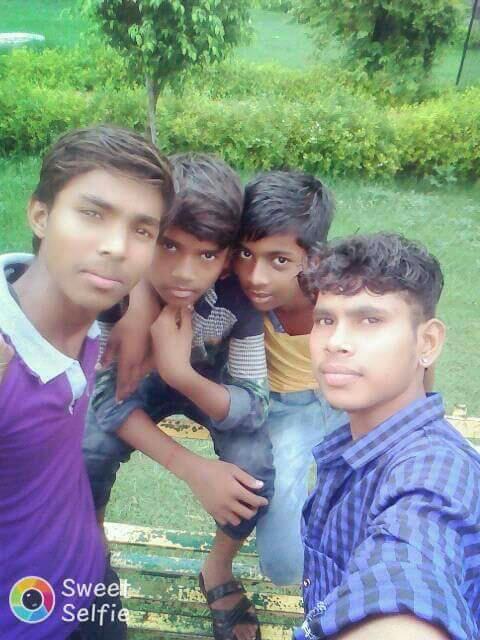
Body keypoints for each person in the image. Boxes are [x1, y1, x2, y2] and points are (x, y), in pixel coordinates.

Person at [82, 153, 273, 640]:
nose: (185, 272)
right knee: (88, 449)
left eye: (207, 255)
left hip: (209, 384)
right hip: (136, 383)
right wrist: (193, 469)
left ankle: (217, 569)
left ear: (227, 259)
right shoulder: (113, 291)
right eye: (169, 245)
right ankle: (93, 550)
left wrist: (178, 372)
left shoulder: (238, 298)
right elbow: (105, 399)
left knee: (256, 469)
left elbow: (254, 402)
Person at [0, 125, 174, 639]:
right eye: (92, 214)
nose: (116, 247)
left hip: (88, 579)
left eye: (142, 230)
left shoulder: (97, 310)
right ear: (40, 215)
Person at [293, 232, 480, 640]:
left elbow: (411, 574)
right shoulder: (355, 444)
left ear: (427, 342)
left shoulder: (434, 471)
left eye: (370, 320)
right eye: (325, 320)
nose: (336, 342)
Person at [234, 171, 347, 585]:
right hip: (281, 411)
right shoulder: (233, 289)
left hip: (346, 402)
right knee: (283, 562)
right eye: (245, 254)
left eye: (279, 260)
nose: (256, 276)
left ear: (313, 258)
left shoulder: (342, 292)